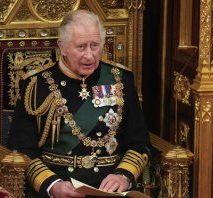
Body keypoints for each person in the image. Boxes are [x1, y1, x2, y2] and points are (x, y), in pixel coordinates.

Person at [8, 9, 151, 198]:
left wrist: (123, 176)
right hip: (60, 187)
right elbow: (21, 150)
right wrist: (52, 185)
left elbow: (139, 141)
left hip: (111, 189)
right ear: (63, 47)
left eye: (95, 45)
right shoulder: (36, 85)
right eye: (81, 47)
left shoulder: (120, 79)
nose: (90, 56)